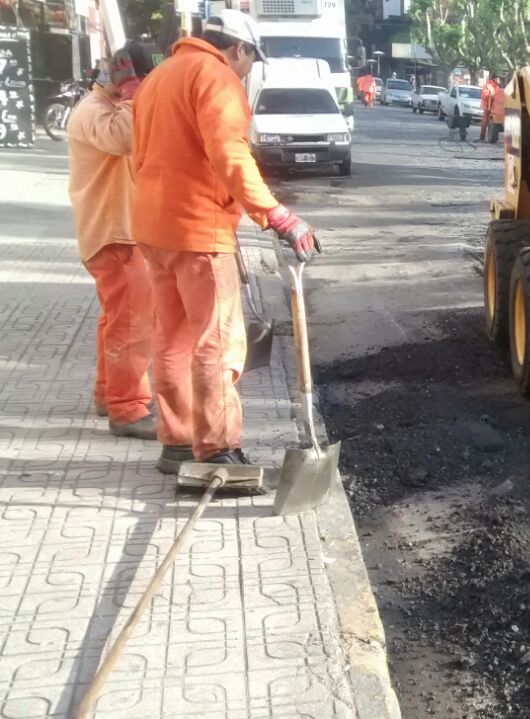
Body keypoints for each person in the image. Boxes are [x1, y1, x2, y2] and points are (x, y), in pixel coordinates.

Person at [130, 9, 319, 471]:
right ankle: (216, 450)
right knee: (216, 341)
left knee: (171, 339)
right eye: (251, 60)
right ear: (239, 48)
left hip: (154, 227)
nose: (248, 70)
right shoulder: (216, 77)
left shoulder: (159, 77)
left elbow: (140, 153)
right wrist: (276, 214)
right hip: (199, 229)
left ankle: (177, 442)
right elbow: (230, 153)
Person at [67, 42, 159, 440]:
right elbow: (123, 139)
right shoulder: (95, 110)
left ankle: (109, 393)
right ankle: (128, 407)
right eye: (143, 80)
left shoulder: (108, 107)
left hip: (118, 231)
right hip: (113, 233)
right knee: (132, 322)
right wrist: (132, 95)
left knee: (118, 319)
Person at [480, 74, 504, 144]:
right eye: (498, 79)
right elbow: (485, 96)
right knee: (485, 121)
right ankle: (482, 137)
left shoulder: (497, 87)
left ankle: (488, 136)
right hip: (487, 106)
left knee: (490, 122)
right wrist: (491, 96)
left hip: (494, 106)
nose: (499, 80)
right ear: (494, 79)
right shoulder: (488, 86)